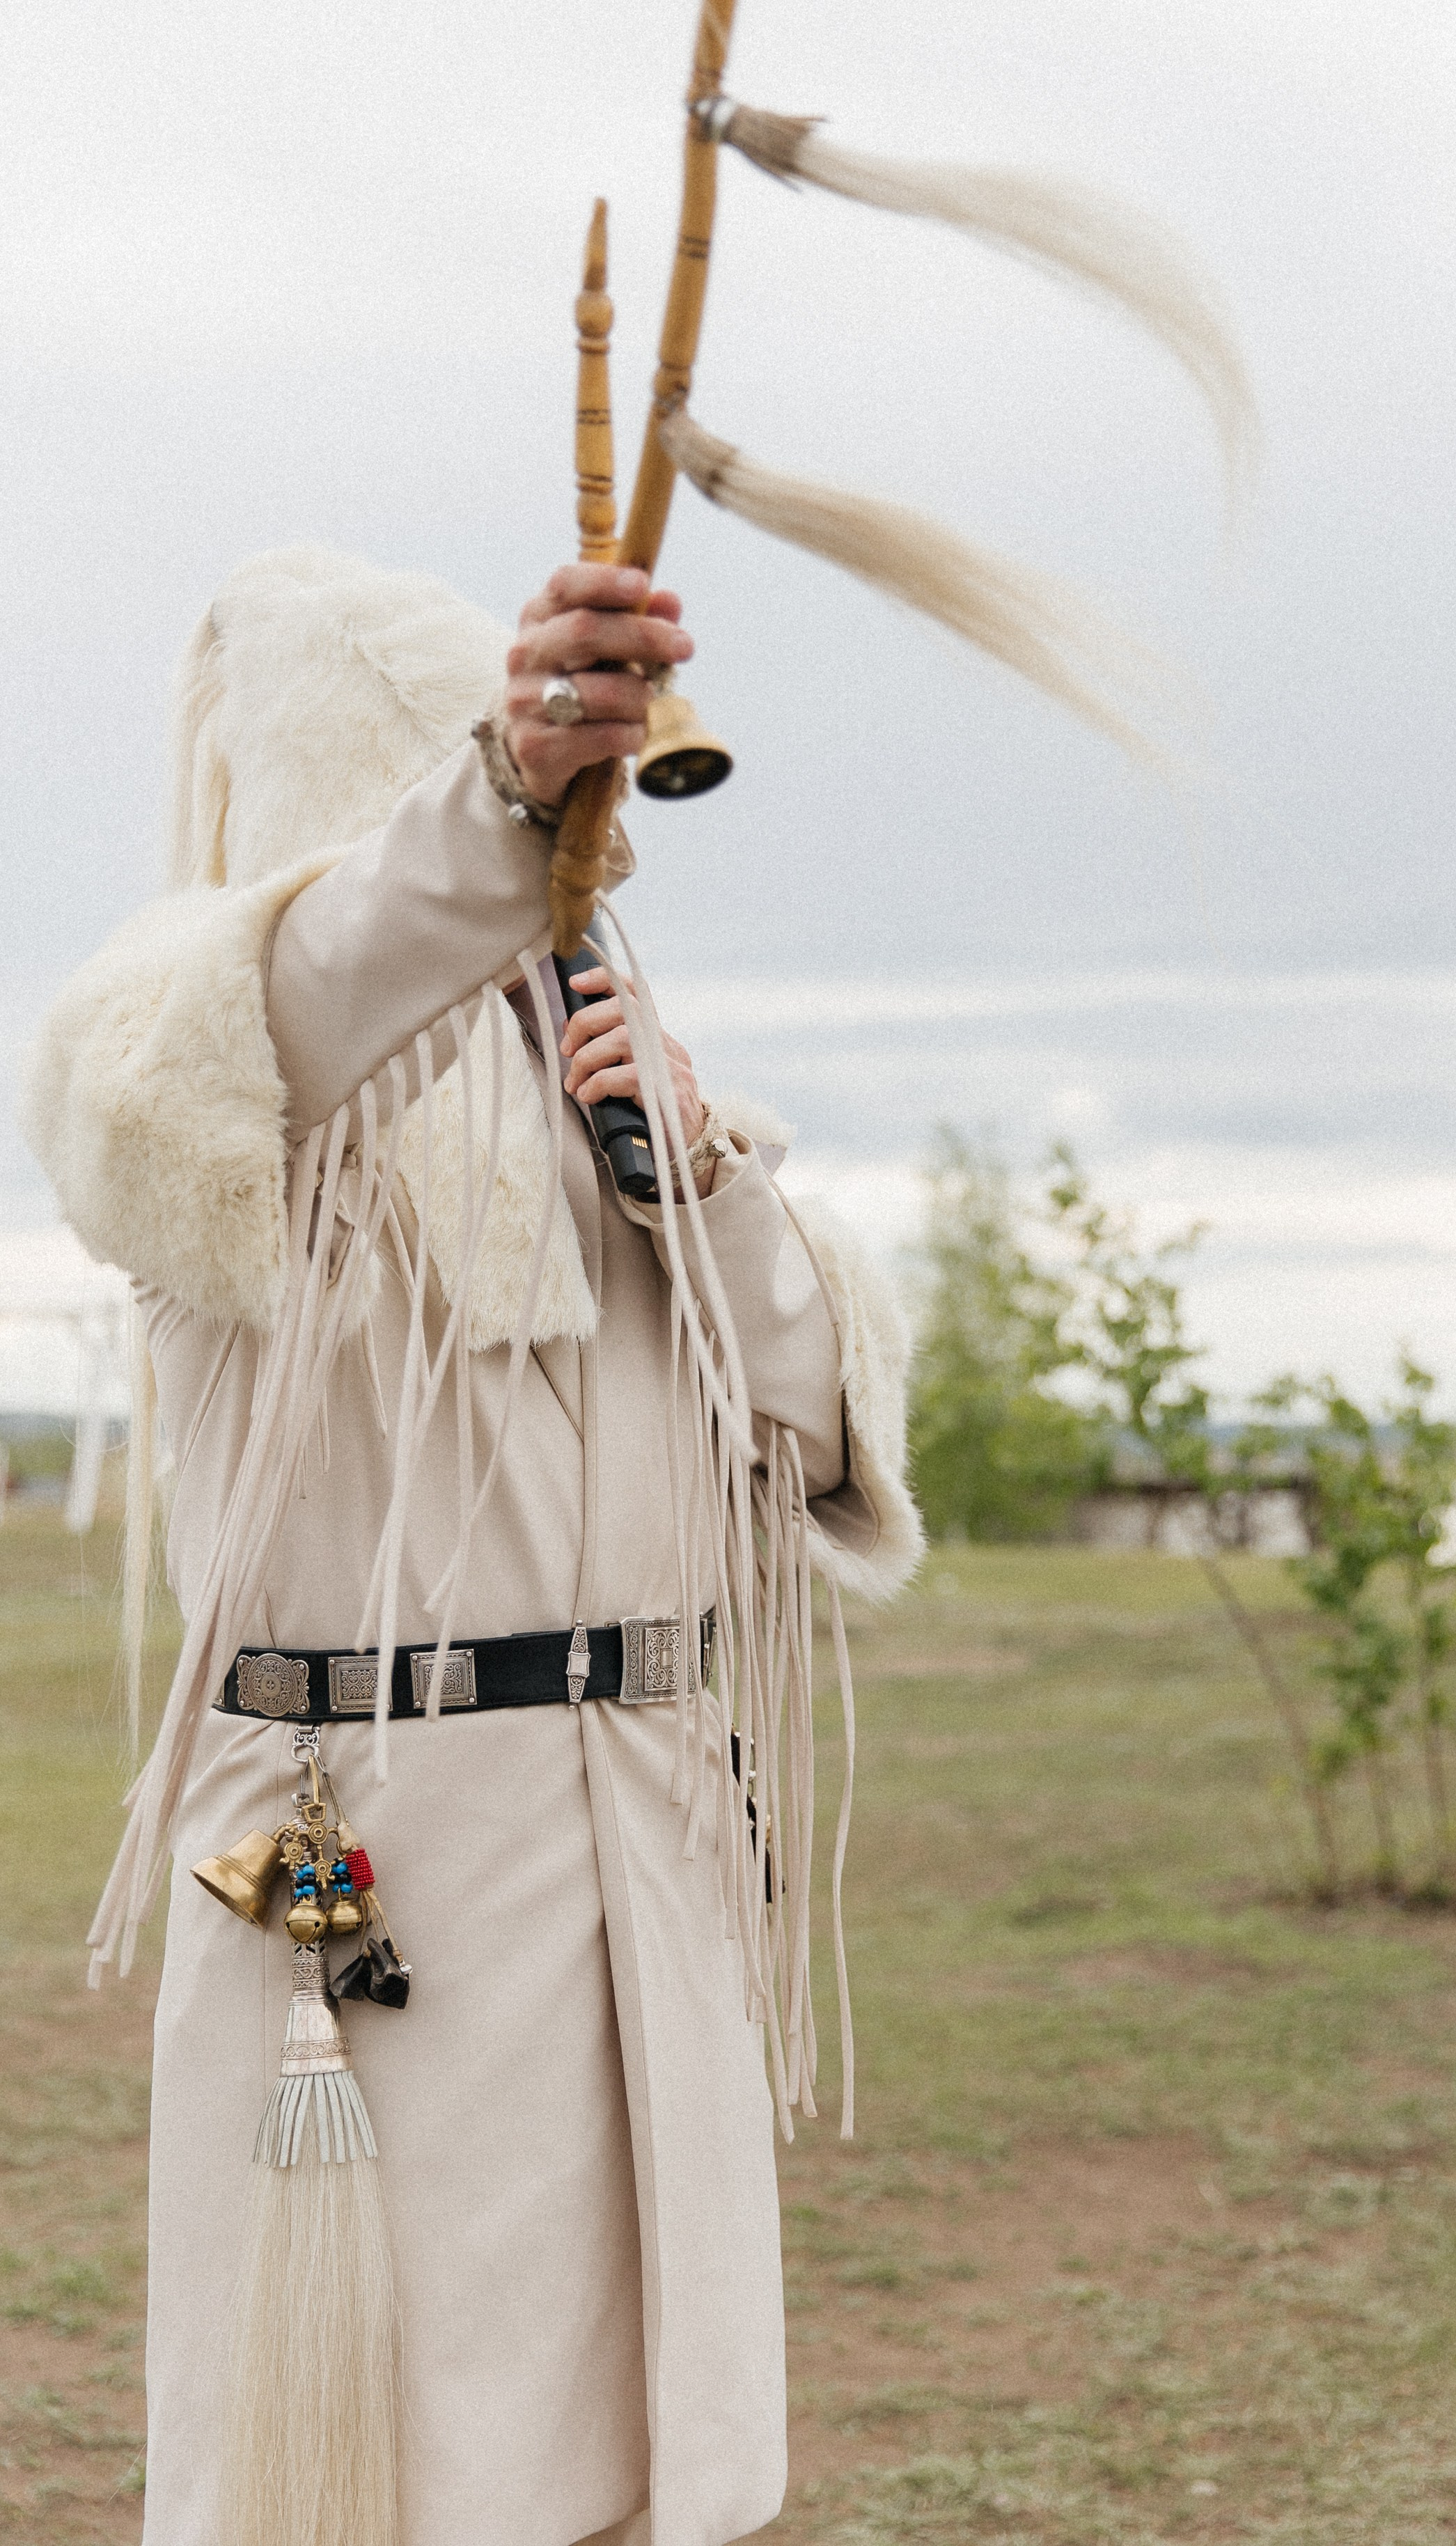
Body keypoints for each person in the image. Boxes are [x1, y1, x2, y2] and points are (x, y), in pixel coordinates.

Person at [23, 541, 921, 2546]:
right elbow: (329, 981)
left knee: (642, 2459)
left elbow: (823, 1430)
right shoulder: (187, 1073)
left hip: (640, 1847)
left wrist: (704, 1185)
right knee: (361, 2468)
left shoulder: (648, 1124)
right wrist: (503, 799)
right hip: (373, 1871)